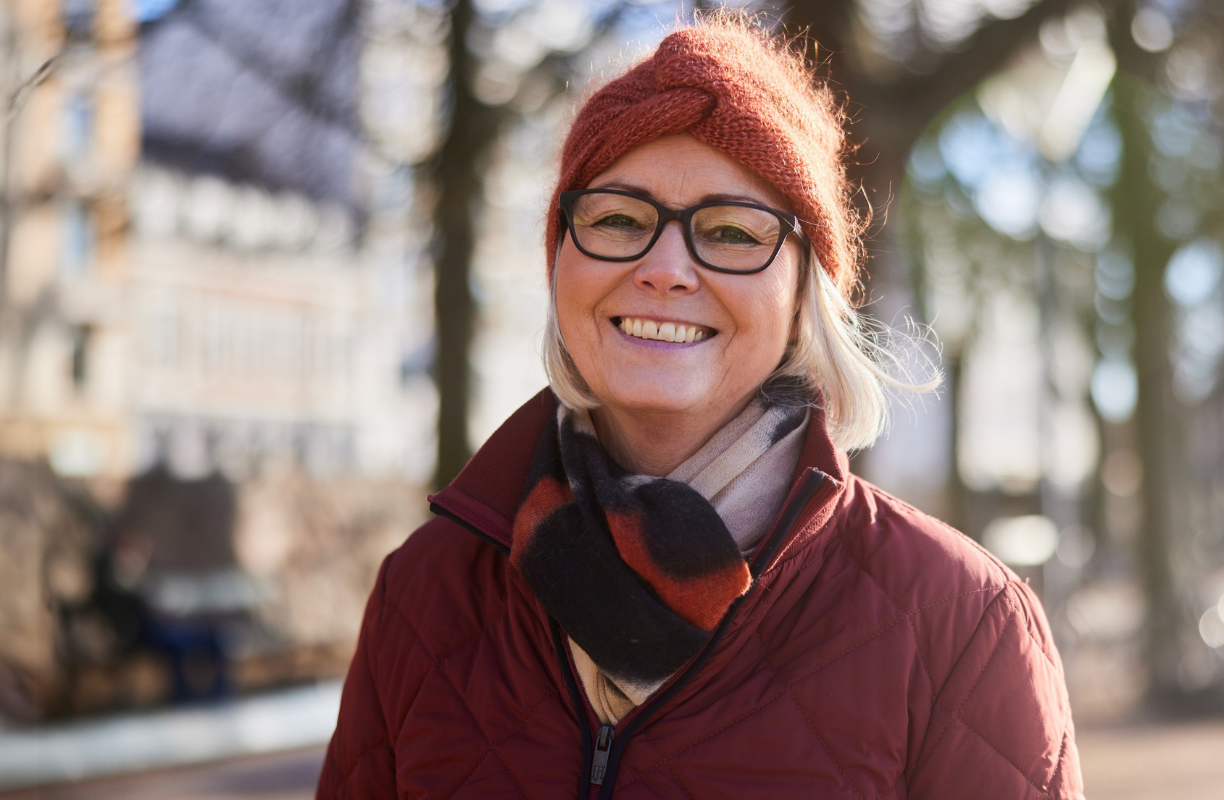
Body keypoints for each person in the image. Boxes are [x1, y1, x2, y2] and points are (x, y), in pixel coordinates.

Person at [318, 15, 1083, 800]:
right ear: (560, 261)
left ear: (801, 296)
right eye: (618, 218)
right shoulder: (425, 593)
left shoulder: (963, 624)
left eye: (729, 231)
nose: (666, 268)